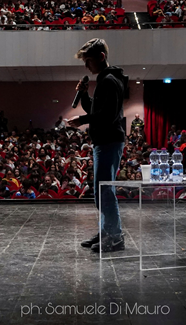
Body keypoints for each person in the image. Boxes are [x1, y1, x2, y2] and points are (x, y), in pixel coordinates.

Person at [68, 38, 128, 253]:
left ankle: (115, 237)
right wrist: (84, 94)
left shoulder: (110, 80)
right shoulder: (106, 80)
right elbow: (95, 110)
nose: (87, 66)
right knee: (102, 191)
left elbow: (107, 115)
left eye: (89, 61)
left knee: (104, 192)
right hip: (105, 141)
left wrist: (82, 120)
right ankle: (106, 231)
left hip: (109, 141)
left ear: (101, 57)